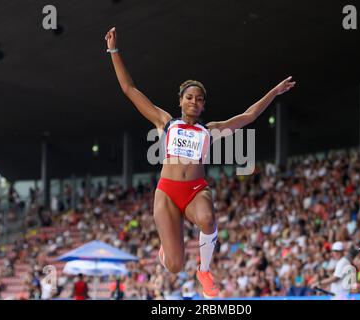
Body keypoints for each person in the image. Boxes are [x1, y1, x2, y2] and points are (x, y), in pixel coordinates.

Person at [105, 27, 295, 298]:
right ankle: (166, 249)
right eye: (189, 97)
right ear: (181, 101)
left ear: (203, 106)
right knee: (174, 266)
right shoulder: (165, 122)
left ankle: (204, 271)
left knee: (208, 219)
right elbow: (129, 88)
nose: (194, 102)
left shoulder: (210, 130)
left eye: (199, 99)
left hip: (195, 190)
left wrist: (274, 93)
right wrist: (113, 51)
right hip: (167, 192)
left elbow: (249, 116)